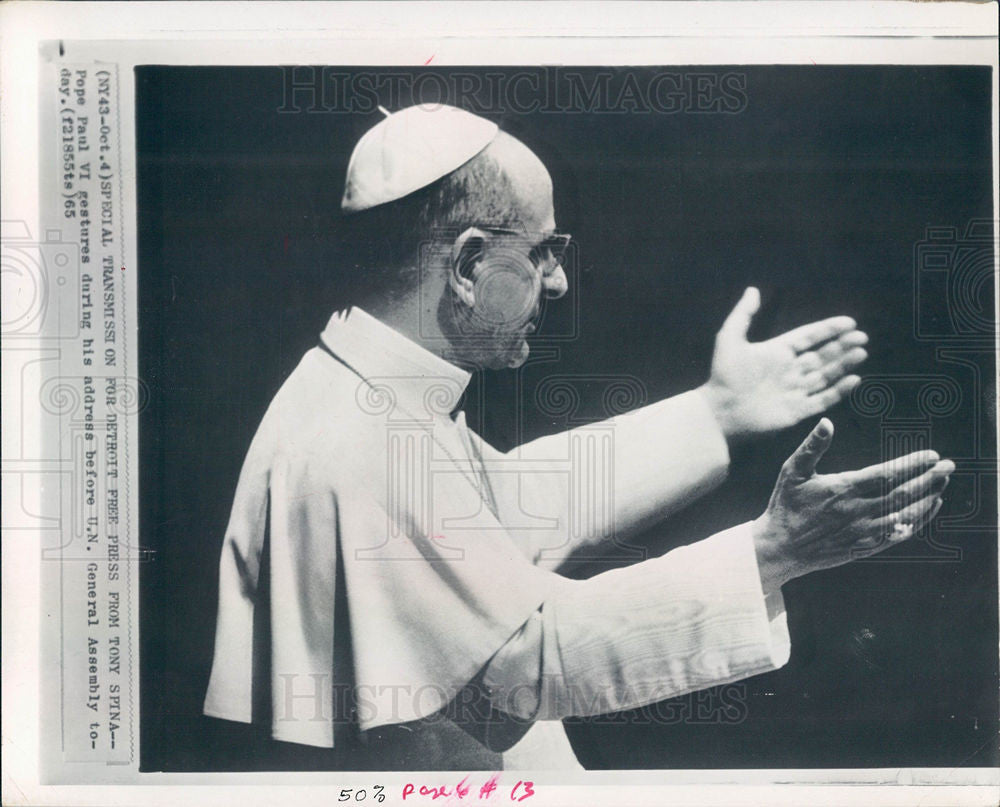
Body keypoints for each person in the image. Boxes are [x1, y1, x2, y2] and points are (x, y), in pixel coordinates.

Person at [203, 104, 953, 770]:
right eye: (541, 250)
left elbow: (508, 508)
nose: (557, 281)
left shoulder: (362, 387)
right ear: (468, 264)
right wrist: (770, 554)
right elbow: (528, 660)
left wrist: (713, 412)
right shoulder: (359, 439)